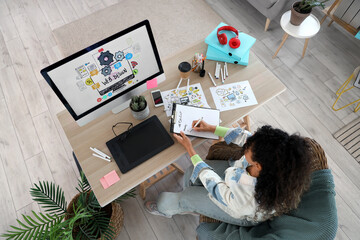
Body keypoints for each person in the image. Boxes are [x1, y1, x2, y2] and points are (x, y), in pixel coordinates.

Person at [145, 120, 312, 225]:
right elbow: (245, 137)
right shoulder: (269, 158)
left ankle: (175, 207)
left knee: (168, 200)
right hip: (232, 180)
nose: (246, 145)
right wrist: (211, 128)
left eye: (248, 148)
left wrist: (190, 149)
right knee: (190, 173)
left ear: (259, 165)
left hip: (234, 206)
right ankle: (191, 203)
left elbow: (216, 187)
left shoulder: (249, 197)